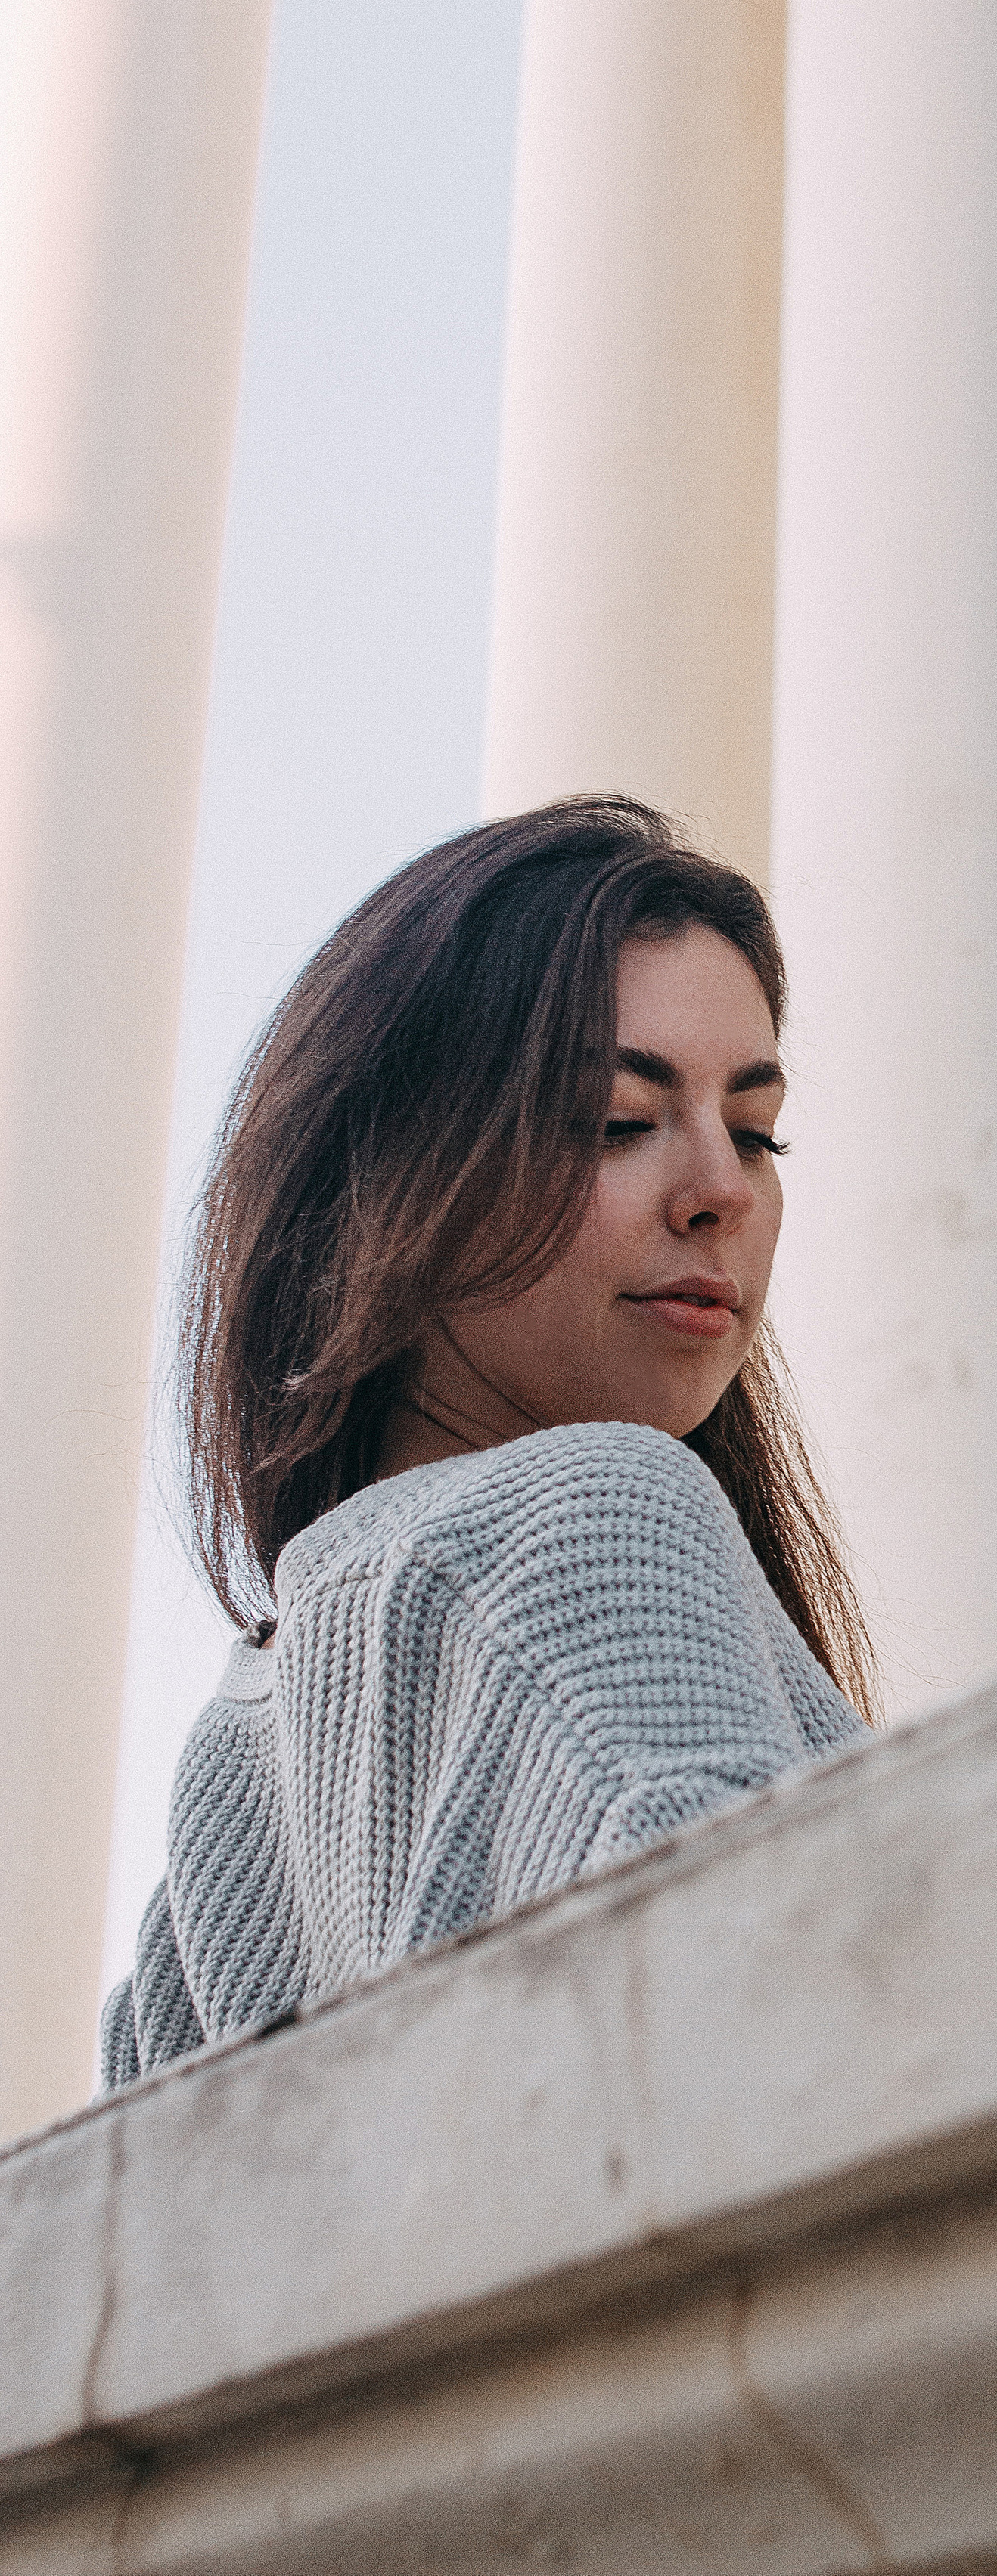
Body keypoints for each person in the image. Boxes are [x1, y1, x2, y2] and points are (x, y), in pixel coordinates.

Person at [100, 797, 874, 2088]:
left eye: (755, 1131)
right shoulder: (596, 1515)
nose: (723, 1190)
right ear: (395, 1171)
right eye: (620, 1120)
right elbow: (794, 2029)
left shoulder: (241, 1747)